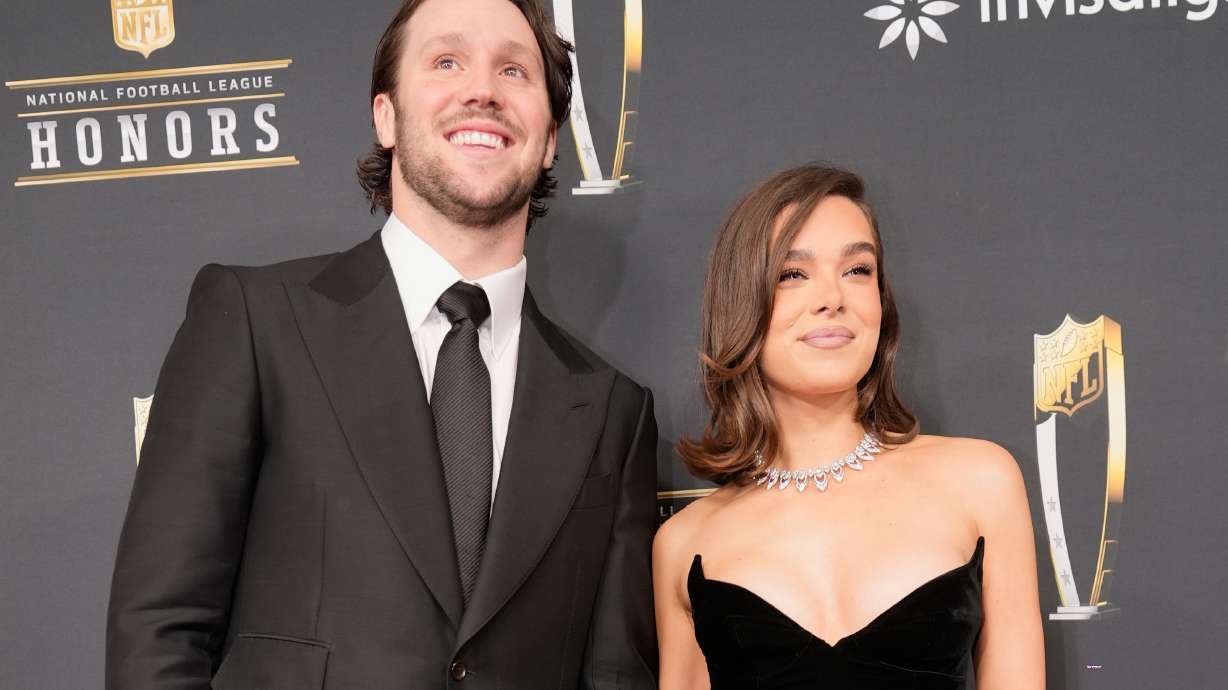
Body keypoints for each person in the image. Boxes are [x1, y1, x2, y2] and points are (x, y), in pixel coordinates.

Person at [105, 1, 658, 687]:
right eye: (447, 61)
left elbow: (614, 675)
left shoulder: (613, 410)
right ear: (386, 116)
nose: (482, 89)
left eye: (514, 70)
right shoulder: (255, 320)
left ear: (550, 138)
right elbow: (159, 632)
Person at [653, 165, 1044, 688]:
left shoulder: (981, 481)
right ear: (741, 303)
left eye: (858, 269)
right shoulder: (686, 542)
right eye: (793, 273)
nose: (832, 297)